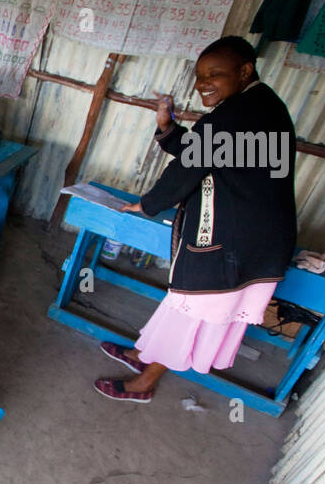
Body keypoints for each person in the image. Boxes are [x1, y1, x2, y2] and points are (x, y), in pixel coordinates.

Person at [94, 36, 298, 403]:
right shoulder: (263, 105)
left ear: (245, 70)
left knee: (194, 310)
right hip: (258, 237)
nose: (202, 83)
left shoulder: (236, 114)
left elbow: (191, 165)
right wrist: (168, 127)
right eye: (199, 75)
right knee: (186, 304)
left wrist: (149, 204)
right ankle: (144, 356)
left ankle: (145, 382)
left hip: (236, 240)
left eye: (213, 74)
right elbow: (207, 153)